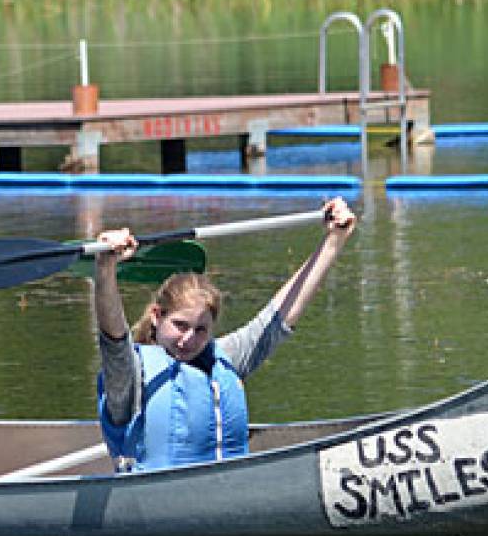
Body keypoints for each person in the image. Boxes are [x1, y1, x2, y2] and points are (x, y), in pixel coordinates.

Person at [91, 197, 358, 472]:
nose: (188, 340)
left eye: (200, 330)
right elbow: (113, 336)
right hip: (149, 500)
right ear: (157, 317)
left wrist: (334, 241)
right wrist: (105, 267)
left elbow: (278, 317)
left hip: (228, 493)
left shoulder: (225, 358)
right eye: (180, 326)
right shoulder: (130, 374)